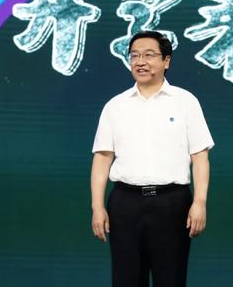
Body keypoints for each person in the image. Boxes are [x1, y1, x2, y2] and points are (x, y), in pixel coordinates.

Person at [90, 30, 214, 287]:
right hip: (125, 203)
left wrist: (200, 202)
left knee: (171, 279)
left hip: (171, 203)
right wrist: (97, 206)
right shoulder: (115, 106)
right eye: (134, 56)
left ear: (166, 61)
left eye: (149, 55)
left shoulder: (185, 102)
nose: (140, 62)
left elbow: (200, 156)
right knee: (126, 280)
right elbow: (102, 158)